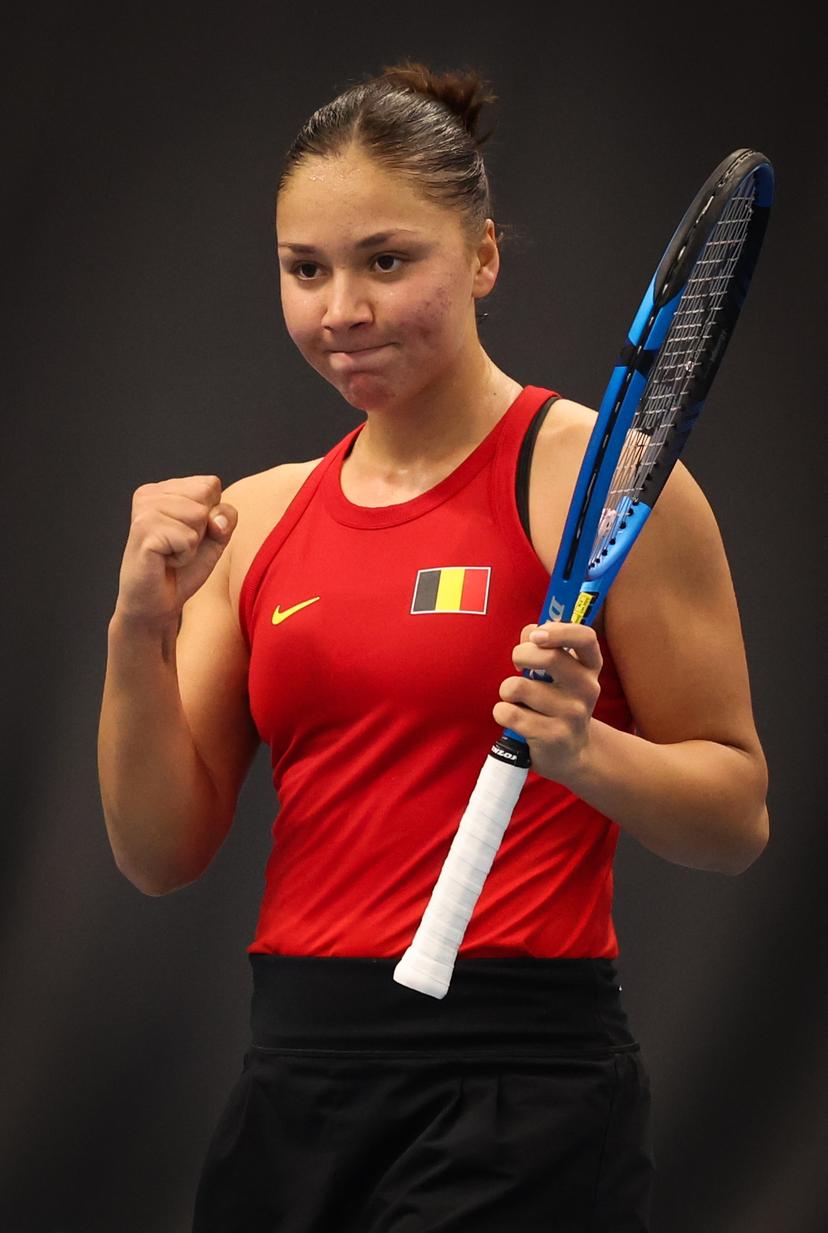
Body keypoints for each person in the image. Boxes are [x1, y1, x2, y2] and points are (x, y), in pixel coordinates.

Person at [97, 60, 769, 1233]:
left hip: (520, 1094)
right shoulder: (255, 519)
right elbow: (160, 854)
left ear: (484, 257)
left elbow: (736, 815)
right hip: (294, 1079)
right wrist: (138, 628)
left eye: (385, 260)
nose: (339, 309)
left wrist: (588, 754)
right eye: (305, 270)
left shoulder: (595, 480)